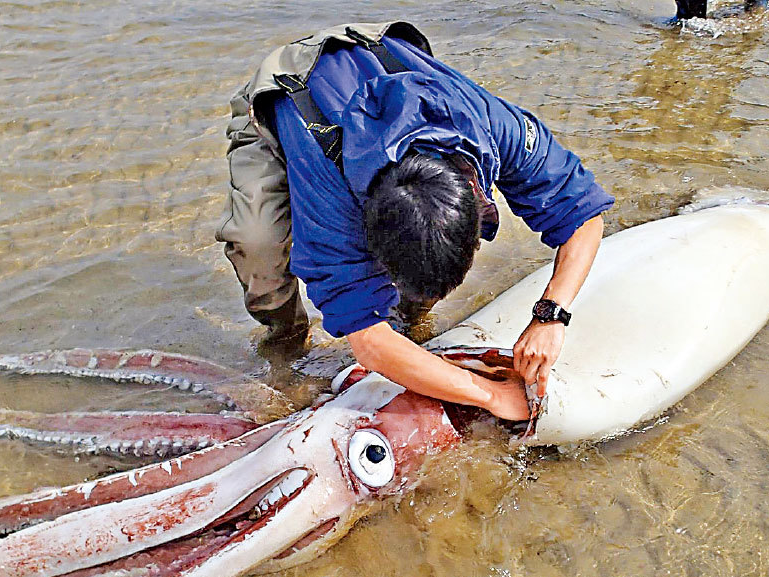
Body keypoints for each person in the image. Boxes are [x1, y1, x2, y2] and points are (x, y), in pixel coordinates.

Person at [215, 23, 612, 422]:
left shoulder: (492, 127)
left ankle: (412, 322)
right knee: (257, 244)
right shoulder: (331, 200)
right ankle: (285, 343)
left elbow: (584, 215)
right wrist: (490, 396)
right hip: (284, 92)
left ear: (471, 192)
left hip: (371, 46)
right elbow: (368, 343)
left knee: (421, 278)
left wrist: (551, 314)